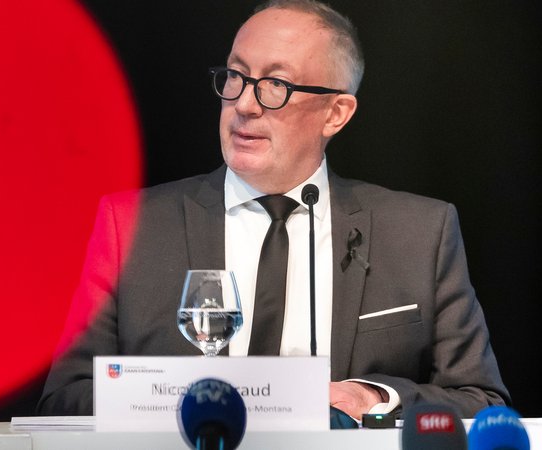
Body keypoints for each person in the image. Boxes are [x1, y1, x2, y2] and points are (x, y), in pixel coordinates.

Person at [37, 0, 510, 420]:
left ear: (336, 113)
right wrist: (174, 397)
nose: (243, 103)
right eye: (236, 76)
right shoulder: (131, 227)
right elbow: (65, 399)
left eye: (275, 86)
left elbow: (480, 398)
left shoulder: (419, 233)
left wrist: (374, 398)